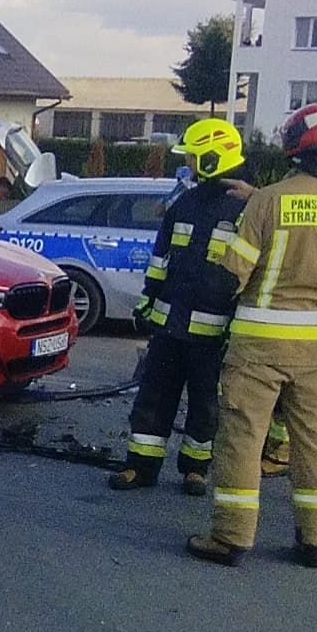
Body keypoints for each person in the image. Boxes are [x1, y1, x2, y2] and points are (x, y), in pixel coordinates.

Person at [188, 102, 317, 571]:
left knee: (243, 439)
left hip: (259, 345)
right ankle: (316, 540)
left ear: (295, 145)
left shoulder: (267, 201)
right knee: (314, 443)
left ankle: (231, 536)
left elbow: (232, 274)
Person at [109, 118, 251, 493]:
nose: (187, 161)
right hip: (169, 323)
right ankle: (140, 467)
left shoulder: (247, 208)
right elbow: (161, 258)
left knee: (205, 403)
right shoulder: (184, 202)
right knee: (154, 396)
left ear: (210, 157)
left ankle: (195, 469)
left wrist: (236, 325)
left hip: (213, 330)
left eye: (191, 155)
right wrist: (148, 300)